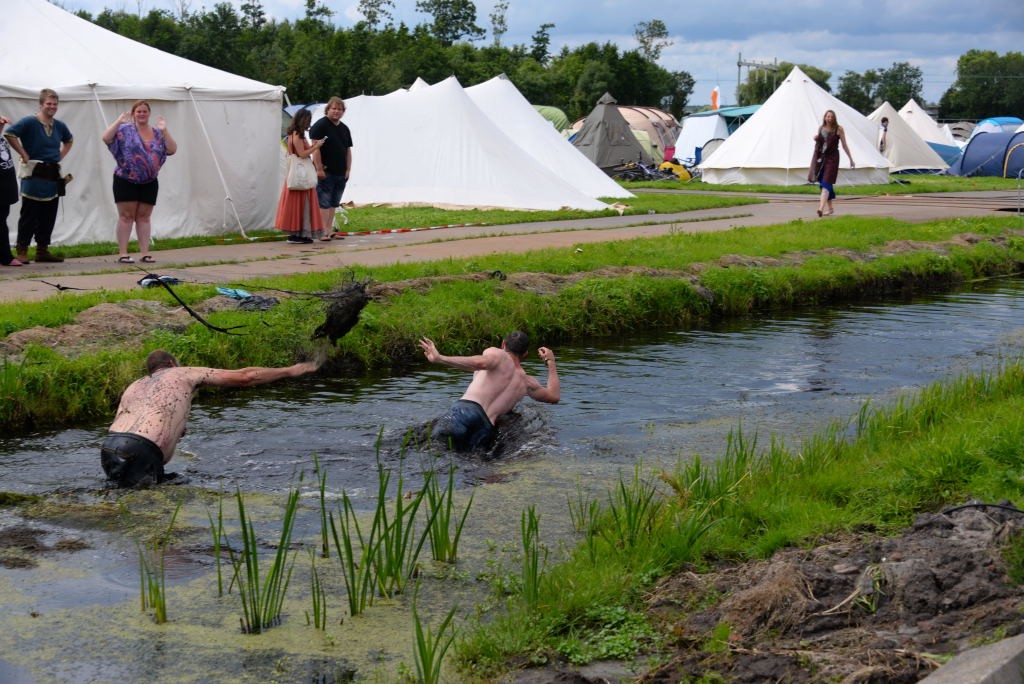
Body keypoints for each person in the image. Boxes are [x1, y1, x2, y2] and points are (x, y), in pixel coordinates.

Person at [101, 350, 320, 487]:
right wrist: (290, 370)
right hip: (141, 449)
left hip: (110, 446)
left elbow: (129, 418)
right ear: (171, 364)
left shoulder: (136, 385)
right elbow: (245, 377)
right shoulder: (183, 372)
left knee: (125, 503)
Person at [417, 331, 560, 451]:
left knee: (431, 452)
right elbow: (554, 396)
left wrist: (440, 358)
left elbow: (481, 363)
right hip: (485, 428)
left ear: (503, 344)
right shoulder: (527, 382)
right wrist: (551, 362)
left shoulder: (497, 354)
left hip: (465, 412)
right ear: (526, 354)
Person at [101, 100, 178, 264]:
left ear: (149, 114)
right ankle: (123, 253)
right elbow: (106, 138)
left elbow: (171, 149)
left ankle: (145, 253)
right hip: (125, 179)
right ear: (134, 113)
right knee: (126, 217)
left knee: (144, 217)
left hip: (149, 181)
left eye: (144, 111)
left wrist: (165, 130)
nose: (142, 114)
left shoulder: (158, 133)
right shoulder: (124, 130)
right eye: (138, 111)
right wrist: (119, 121)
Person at [3, 88, 73, 263]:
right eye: (49, 103)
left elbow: (69, 139)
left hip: (52, 176)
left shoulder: (59, 125)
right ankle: (22, 249)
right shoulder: (29, 122)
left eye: (55, 104)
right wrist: (23, 153)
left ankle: (42, 250)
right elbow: (10, 133)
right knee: (29, 214)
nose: (52, 107)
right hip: (33, 174)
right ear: (41, 104)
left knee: (48, 215)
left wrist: (59, 156)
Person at [275, 108, 326, 244]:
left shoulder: (293, 133)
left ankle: (296, 233)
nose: (309, 123)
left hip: (296, 174)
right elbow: (302, 154)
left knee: (295, 205)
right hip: (301, 175)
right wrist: (316, 146)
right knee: (302, 204)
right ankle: (298, 234)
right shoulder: (298, 134)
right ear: (303, 120)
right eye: (308, 120)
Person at [309, 96, 352, 241]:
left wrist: (348, 169)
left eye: (339, 109)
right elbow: (315, 148)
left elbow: (347, 150)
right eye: (334, 108)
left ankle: (329, 229)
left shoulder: (344, 128)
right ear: (328, 110)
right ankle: (322, 231)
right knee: (324, 202)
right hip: (326, 171)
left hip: (341, 172)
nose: (336, 112)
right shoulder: (320, 126)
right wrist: (319, 169)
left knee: (334, 202)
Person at [809, 109, 854, 218]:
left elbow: (844, 145)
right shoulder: (821, 128)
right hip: (822, 159)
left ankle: (820, 209)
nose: (829, 118)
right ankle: (830, 209)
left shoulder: (838, 129)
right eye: (827, 116)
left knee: (826, 183)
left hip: (833, 159)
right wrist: (816, 138)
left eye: (831, 116)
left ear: (834, 118)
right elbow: (820, 144)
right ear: (825, 117)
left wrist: (851, 159)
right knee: (824, 184)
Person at [0, 115, 23, 267]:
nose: (2, 126)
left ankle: (5, 256)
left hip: (5, 188)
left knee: (2, 220)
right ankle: (5, 256)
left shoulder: (1, 140)